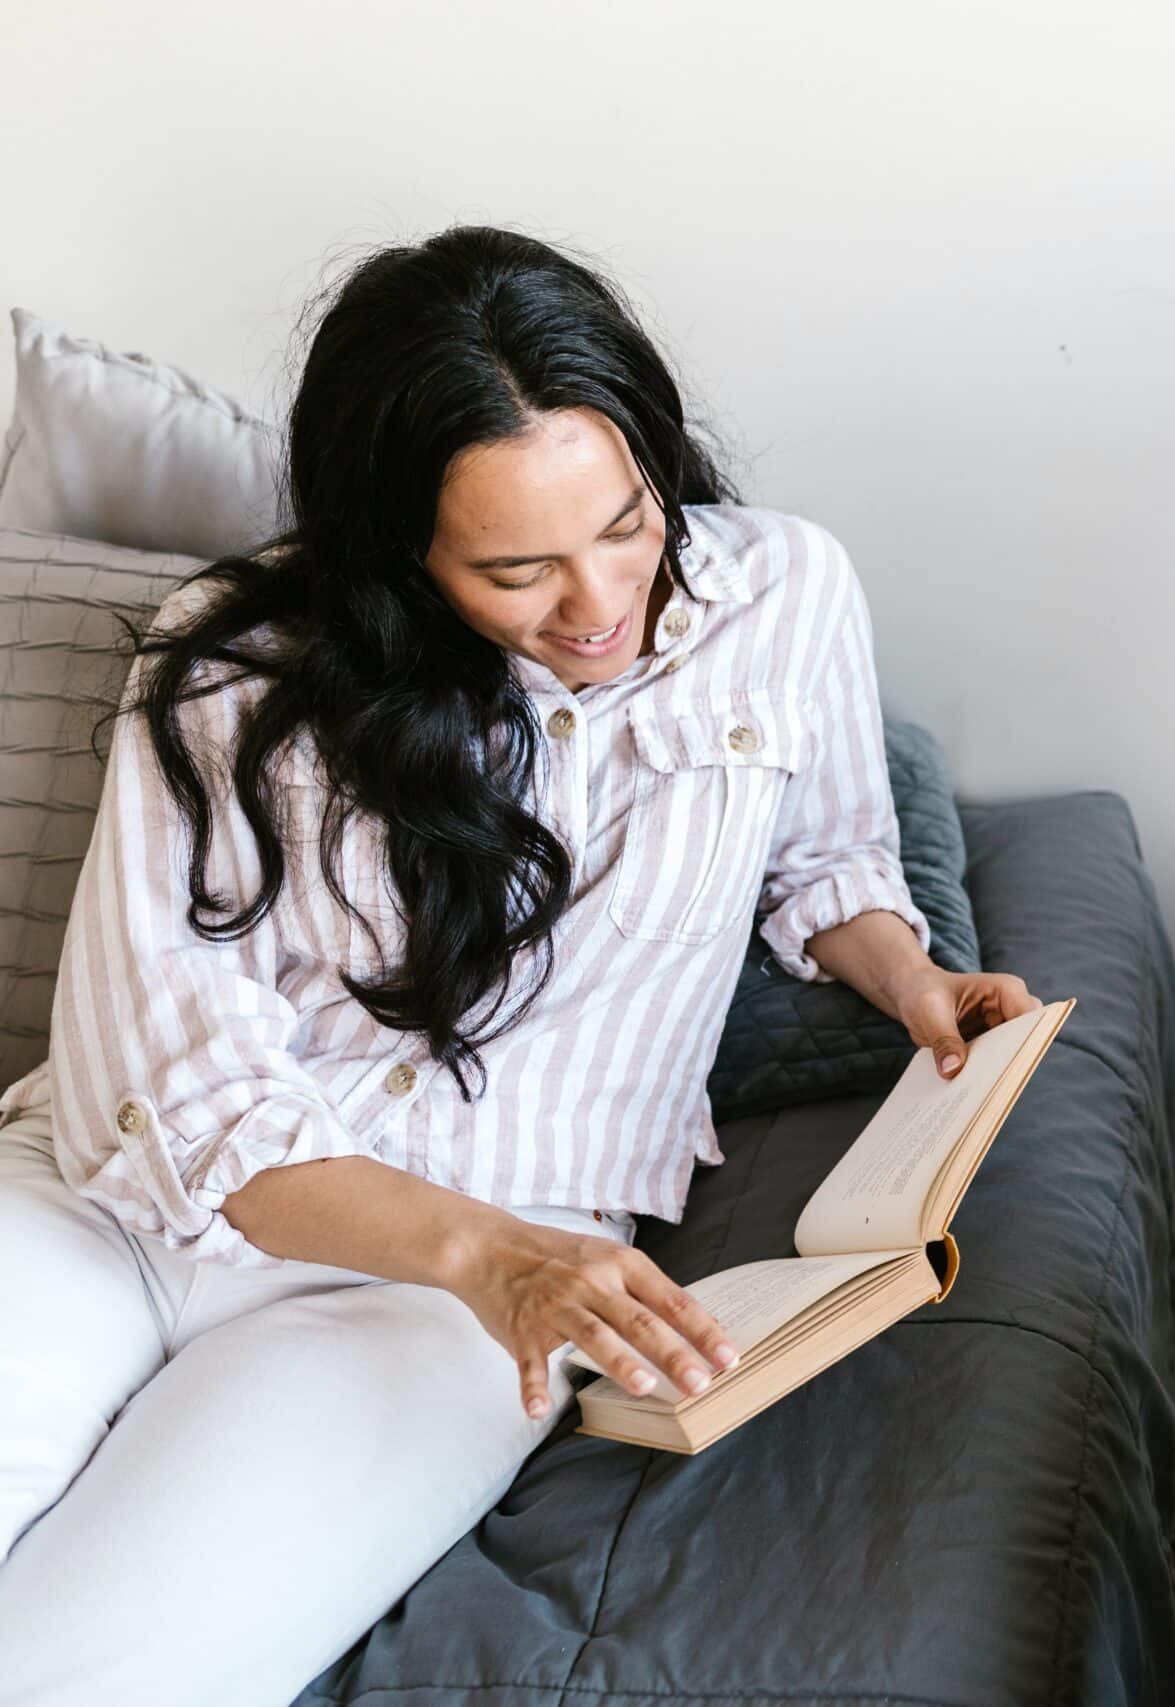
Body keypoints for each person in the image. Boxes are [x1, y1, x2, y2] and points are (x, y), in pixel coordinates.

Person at [0, 228, 1036, 1707]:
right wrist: (491, 1253)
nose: (598, 601)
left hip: (435, 1310)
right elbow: (166, 1076)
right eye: (515, 568)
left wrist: (910, 978)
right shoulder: (233, 663)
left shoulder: (785, 594)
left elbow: (824, 857)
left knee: (89, 1674)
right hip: (117, 1209)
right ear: (398, 550)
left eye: (626, 522)